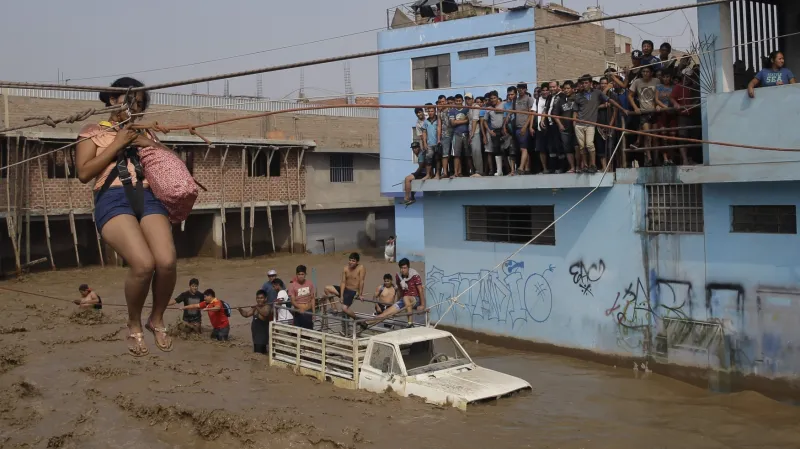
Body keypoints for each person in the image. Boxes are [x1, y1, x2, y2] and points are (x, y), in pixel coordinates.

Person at [75, 77, 176, 357]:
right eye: (131, 101)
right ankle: (133, 324)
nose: (136, 108)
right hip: (112, 197)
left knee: (166, 261)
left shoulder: (147, 133)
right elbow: (84, 173)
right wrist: (118, 143)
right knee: (143, 264)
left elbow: (171, 163)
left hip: (148, 195)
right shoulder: (93, 131)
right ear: (112, 100)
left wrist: (146, 141)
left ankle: (156, 318)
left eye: (140, 104)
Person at [362, 258, 425, 329]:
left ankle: (410, 323)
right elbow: (400, 291)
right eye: (401, 268)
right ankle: (366, 323)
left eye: (405, 268)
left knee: (405, 297)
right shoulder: (398, 276)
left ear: (408, 267)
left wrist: (422, 305)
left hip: (415, 299)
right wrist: (397, 303)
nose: (403, 270)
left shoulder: (415, 275)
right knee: (387, 312)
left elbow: (420, 290)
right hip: (404, 301)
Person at [573, 75, 611, 173]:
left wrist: (622, 109)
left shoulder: (597, 93)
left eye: (586, 83)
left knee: (590, 144)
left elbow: (608, 100)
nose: (584, 85)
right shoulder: (578, 96)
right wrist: (574, 122)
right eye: (583, 83)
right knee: (582, 146)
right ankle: (585, 165)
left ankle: (593, 165)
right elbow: (575, 111)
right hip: (579, 124)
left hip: (590, 124)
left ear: (591, 83)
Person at [628, 66, 661, 166]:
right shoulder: (637, 82)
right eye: (643, 71)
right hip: (644, 112)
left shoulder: (657, 81)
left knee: (655, 137)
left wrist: (659, 104)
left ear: (651, 73)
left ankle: (656, 159)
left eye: (647, 71)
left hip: (655, 111)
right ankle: (649, 158)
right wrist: (635, 108)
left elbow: (659, 95)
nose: (645, 73)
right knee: (647, 135)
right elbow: (630, 95)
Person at [324, 252, 366, 321]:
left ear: (357, 262)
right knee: (327, 288)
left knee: (344, 308)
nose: (351, 262)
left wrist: (360, 294)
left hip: (353, 292)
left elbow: (362, 281)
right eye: (350, 260)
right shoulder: (345, 268)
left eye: (353, 261)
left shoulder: (361, 268)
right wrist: (341, 296)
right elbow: (343, 282)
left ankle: (357, 320)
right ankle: (334, 308)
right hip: (345, 290)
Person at [551, 80, 577, 173]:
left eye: (568, 88)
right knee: (567, 149)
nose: (566, 90)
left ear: (573, 89)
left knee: (578, 147)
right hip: (565, 129)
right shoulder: (560, 100)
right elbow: (554, 114)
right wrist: (560, 124)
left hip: (577, 127)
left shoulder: (577, 98)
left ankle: (580, 166)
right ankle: (572, 167)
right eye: (564, 88)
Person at [655, 70, 677, 166]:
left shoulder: (674, 87)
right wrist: (664, 107)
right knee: (663, 136)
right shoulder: (659, 87)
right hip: (662, 113)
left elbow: (676, 99)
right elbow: (656, 99)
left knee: (672, 136)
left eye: (668, 77)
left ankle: (671, 158)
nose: (666, 79)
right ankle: (665, 159)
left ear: (670, 78)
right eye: (664, 77)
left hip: (672, 113)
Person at [239, 290, 271, 354]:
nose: (259, 300)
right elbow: (246, 314)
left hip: (262, 337)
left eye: (261, 298)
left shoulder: (267, 306)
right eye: (258, 298)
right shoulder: (255, 308)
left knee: (259, 354)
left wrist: (257, 307)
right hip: (256, 337)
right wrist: (240, 310)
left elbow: (265, 314)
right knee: (258, 353)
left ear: (265, 299)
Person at [511, 83, 534, 174]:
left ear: (525, 89)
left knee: (523, 148)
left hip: (524, 126)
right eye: (519, 88)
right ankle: (527, 168)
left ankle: (521, 168)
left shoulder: (529, 99)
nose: (520, 90)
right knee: (522, 148)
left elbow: (531, 113)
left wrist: (525, 126)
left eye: (522, 88)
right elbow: (512, 113)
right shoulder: (515, 100)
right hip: (516, 126)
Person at [485, 90, 506, 177]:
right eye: (491, 98)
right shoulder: (488, 108)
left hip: (504, 130)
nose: (493, 100)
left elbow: (507, 114)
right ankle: (499, 170)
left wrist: (505, 127)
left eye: (494, 98)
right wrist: (489, 131)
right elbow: (484, 121)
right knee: (496, 150)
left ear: (497, 97)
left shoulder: (504, 104)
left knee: (506, 149)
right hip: (495, 131)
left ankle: (509, 169)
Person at [288, 265, 316, 330]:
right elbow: (293, 301)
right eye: (299, 274)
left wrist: (314, 313)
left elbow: (312, 298)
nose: (301, 276)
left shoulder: (310, 284)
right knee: (299, 332)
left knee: (309, 332)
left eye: (302, 274)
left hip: (309, 311)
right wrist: (300, 308)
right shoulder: (292, 285)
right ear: (296, 275)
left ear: (305, 274)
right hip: (298, 312)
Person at [449, 94, 470, 177]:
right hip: (456, 134)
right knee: (456, 154)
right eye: (457, 101)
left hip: (466, 134)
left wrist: (458, 121)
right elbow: (453, 123)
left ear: (462, 101)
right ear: (455, 101)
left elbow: (469, 120)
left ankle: (470, 171)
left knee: (468, 154)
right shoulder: (452, 111)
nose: (458, 102)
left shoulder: (467, 109)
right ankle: (456, 172)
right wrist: (465, 121)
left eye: (459, 101)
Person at [467, 94, 485, 175]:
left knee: (476, 151)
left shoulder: (475, 106)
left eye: (469, 98)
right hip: (471, 132)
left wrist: (472, 134)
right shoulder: (470, 108)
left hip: (476, 132)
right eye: (466, 99)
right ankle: (477, 170)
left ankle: (479, 171)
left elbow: (475, 121)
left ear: (473, 99)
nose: (468, 100)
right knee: (474, 153)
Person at [403, 142, 426, 206]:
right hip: (423, 172)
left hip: (424, 173)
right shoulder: (420, 154)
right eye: (413, 148)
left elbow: (421, 166)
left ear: (419, 148)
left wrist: (415, 174)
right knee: (411, 180)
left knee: (407, 179)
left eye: (415, 148)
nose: (414, 150)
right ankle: (412, 197)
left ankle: (407, 198)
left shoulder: (421, 155)